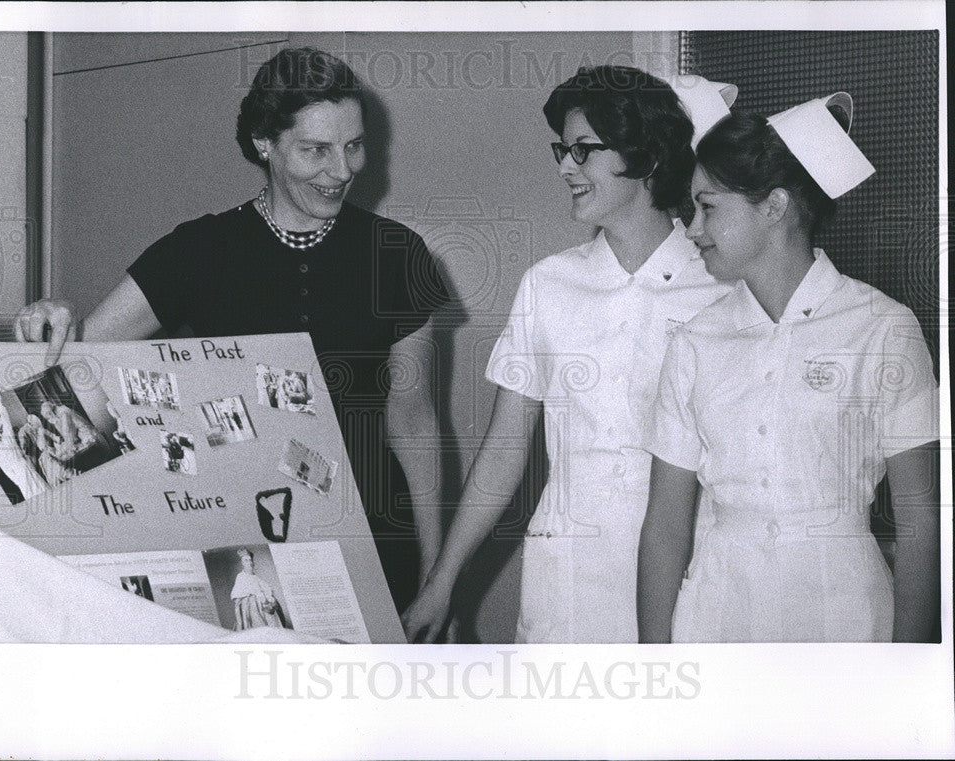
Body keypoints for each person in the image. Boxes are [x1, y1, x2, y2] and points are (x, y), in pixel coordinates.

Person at [13, 48, 449, 612]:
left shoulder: (399, 255)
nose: (341, 170)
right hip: (241, 539)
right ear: (265, 144)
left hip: (376, 539)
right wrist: (47, 317)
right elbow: (79, 363)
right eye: (316, 150)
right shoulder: (198, 251)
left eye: (353, 146)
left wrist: (439, 578)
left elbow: (414, 424)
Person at [402, 67, 736, 643]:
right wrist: (444, 579)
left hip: (692, 563)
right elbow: (505, 449)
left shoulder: (720, 287)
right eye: (563, 150)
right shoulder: (549, 284)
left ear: (648, 158)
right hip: (570, 574)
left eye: (584, 150)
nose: (564, 167)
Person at [637, 94, 940, 643]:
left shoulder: (883, 329)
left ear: (773, 207)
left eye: (708, 207)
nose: (692, 228)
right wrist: (655, 668)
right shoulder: (695, 341)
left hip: (844, 615)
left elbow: (922, 524)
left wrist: (910, 671)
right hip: (719, 611)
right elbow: (664, 524)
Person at [230, 548, 289, 630]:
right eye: (246, 561)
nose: (249, 563)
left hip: (264, 605)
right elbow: (238, 594)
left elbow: (266, 588)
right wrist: (256, 597)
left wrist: (269, 597)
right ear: (242, 563)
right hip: (252, 607)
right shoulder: (240, 577)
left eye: (250, 560)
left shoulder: (256, 577)